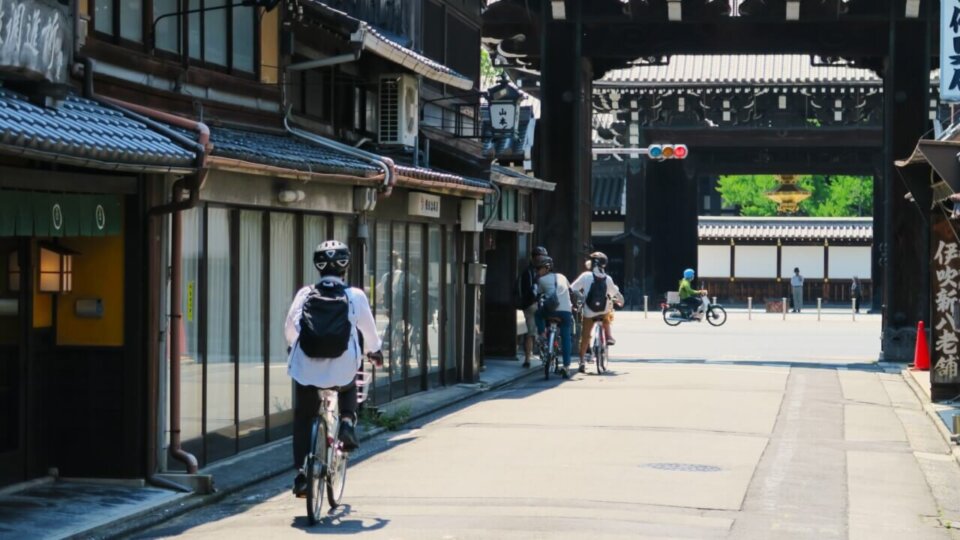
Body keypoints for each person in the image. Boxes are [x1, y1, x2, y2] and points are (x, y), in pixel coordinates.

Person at [286, 240, 383, 497]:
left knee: (303, 418)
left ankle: (301, 475)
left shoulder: (305, 294)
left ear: (318, 267)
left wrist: (294, 346)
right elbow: (370, 335)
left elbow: (289, 330)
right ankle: (349, 421)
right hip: (342, 369)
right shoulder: (355, 296)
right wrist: (375, 352)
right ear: (345, 267)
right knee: (349, 382)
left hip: (306, 369)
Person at [571, 251, 624, 373]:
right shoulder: (608, 278)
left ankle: (582, 361)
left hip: (589, 311)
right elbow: (614, 294)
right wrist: (621, 301)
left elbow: (573, 288)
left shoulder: (585, 276)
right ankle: (608, 336)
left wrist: (581, 297)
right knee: (608, 313)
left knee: (585, 337)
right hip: (603, 311)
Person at [534, 256, 575, 378]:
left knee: (538, 314)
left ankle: (542, 335)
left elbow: (538, 294)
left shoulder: (541, 280)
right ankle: (567, 367)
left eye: (539, 268)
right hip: (566, 311)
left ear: (546, 268)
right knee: (566, 336)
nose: (537, 271)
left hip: (551, 311)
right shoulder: (562, 277)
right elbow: (571, 291)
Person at [515, 246, 548, 368]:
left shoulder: (529, 271)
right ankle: (528, 357)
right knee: (531, 332)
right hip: (532, 304)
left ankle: (532, 354)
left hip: (533, 303)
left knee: (532, 331)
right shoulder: (531, 272)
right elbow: (532, 291)